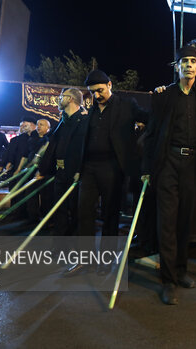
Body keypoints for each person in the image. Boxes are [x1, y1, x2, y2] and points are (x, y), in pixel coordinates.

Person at [142, 46, 196, 305]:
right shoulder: (164, 96)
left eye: (193, 61)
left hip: (195, 165)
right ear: (176, 67)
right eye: (184, 62)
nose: (189, 65)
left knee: (185, 221)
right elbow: (152, 134)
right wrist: (146, 168)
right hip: (168, 163)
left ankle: (181, 270)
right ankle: (168, 280)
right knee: (166, 221)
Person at [65, 70, 149, 276]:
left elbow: (151, 119)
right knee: (84, 213)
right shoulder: (90, 111)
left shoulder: (127, 106)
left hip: (113, 168)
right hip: (89, 169)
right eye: (92, 92)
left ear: (110, 85)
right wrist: (78, 169)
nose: (97, 95)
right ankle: (85, 260)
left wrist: (140, 142)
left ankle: (105, 261)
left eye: (100, 90)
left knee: (110, 215)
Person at [38, 88, 89, 251]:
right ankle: (59, 246)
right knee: (59, 209)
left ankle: (74, 247)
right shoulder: (63, 121)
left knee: (75, 211)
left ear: (71, 99)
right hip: (60, 172)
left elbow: (84, 148)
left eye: (62, 96)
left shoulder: (84, 120)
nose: (59, 99)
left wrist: (80, 170)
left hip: (75, 173)